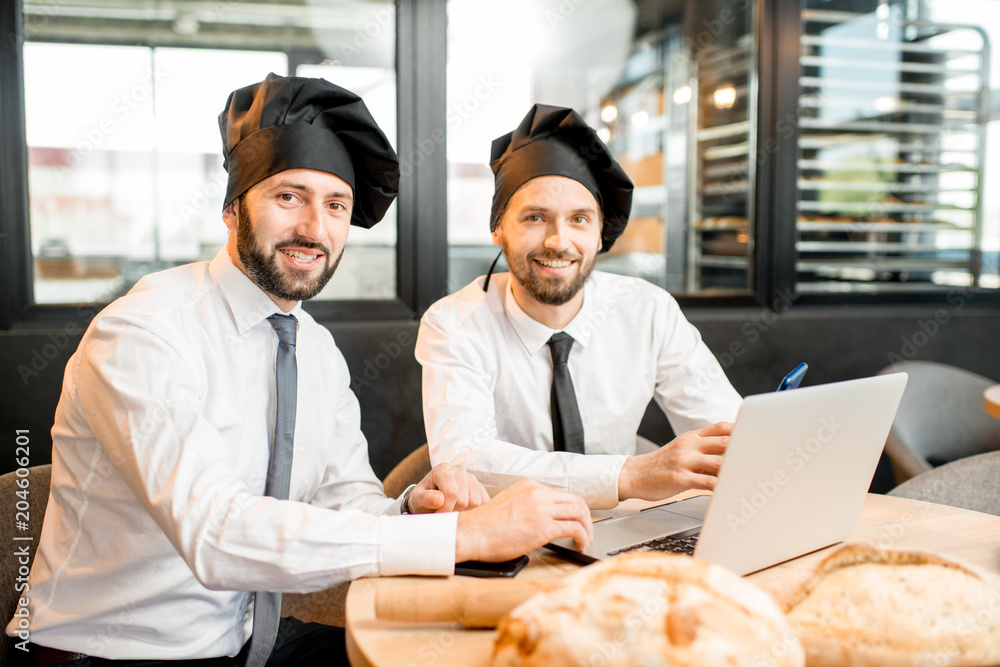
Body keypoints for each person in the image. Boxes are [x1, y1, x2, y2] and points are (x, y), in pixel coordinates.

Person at [6, 76, 592, 667]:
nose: (315, 228)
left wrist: (414, 508)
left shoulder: (315, 348)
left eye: (335, 205)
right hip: (102, 655)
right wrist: (464, 536)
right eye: (290, 197)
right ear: (234, 209)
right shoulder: (143, 332)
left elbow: (346, 501)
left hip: (246, 643)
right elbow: (214, 534)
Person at [416, 104, 743, 511]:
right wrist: (631, 475)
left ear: (601, 233)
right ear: (499, 228)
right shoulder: (455, 322)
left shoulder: (648, 310)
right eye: (535, 217)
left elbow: (727, 433)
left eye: (579, 219)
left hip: (626, 524)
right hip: (508, 533)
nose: (558, 241)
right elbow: (463, 459)